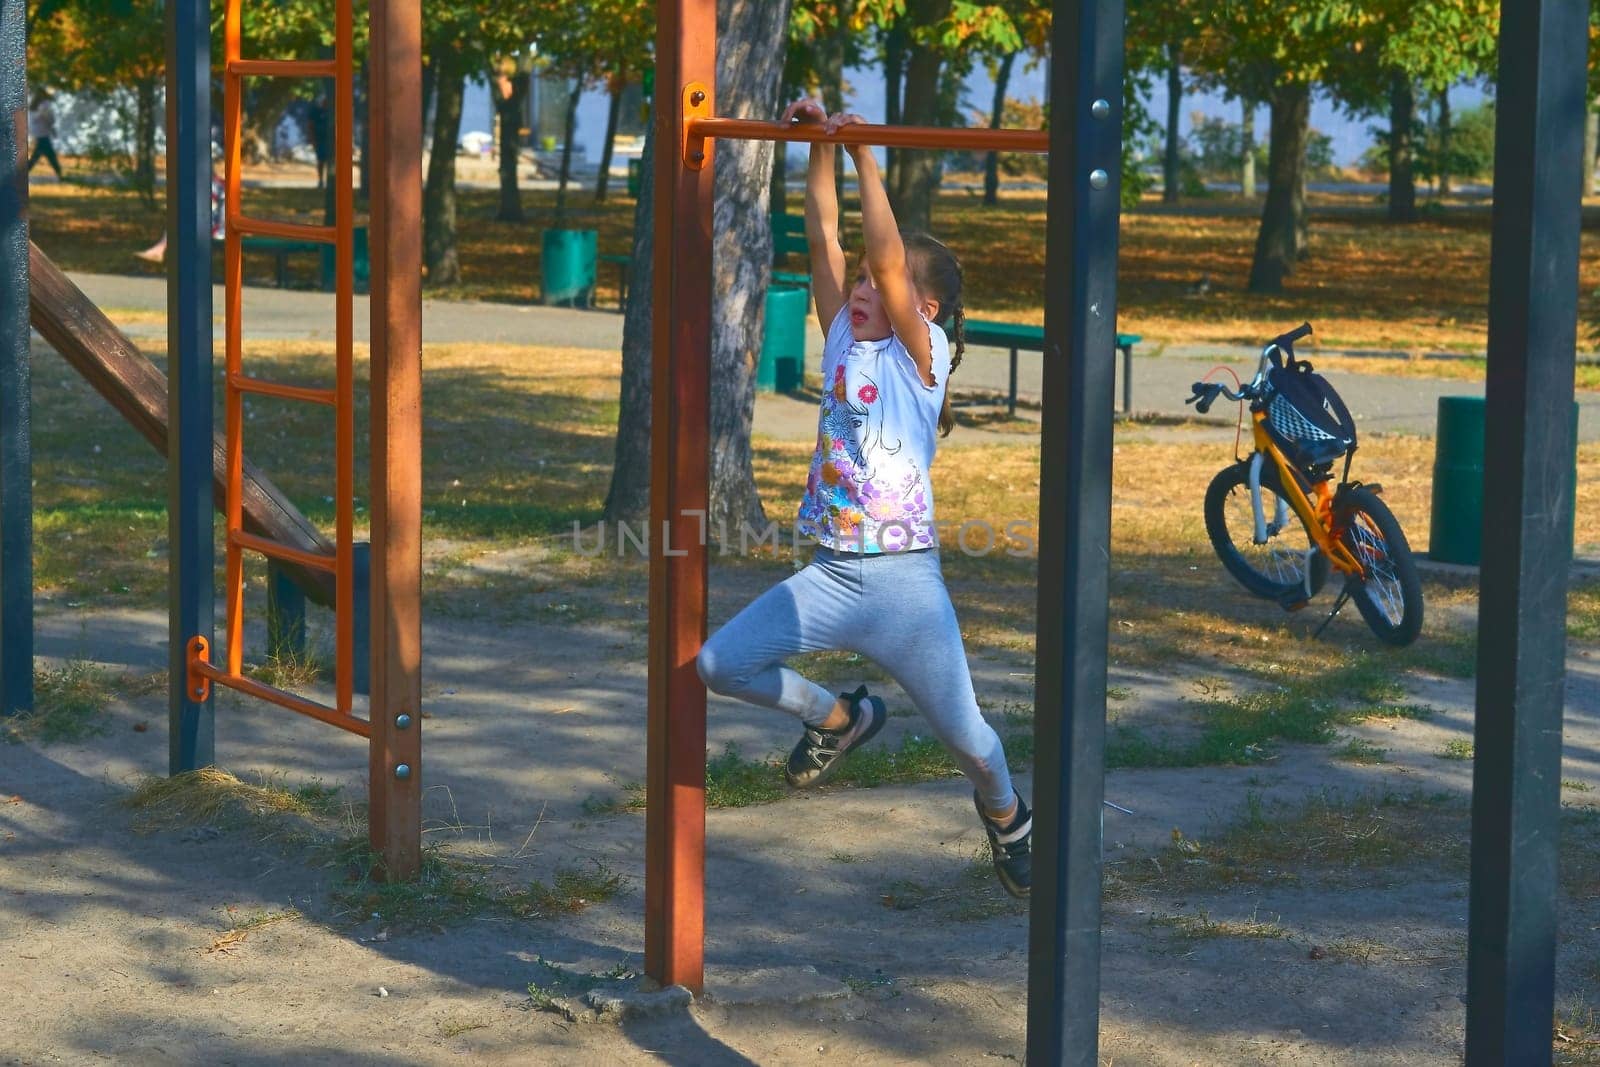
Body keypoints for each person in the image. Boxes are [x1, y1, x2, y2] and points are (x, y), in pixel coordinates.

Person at [695, 100, 1032, 898]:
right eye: (861, 285)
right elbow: (824, 238)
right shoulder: (845, 331)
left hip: (905, 590)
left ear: (929, 311)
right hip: (830, 576)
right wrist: (821, 145)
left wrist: (867, 156)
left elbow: (881, 257)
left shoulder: (925, 359)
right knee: (720, 663)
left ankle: (1008, 814)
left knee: (972, 742)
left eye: (885, 288)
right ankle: (837, 717)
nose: (862, 289)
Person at [136, 171, 225, 263]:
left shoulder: (213, 185)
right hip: (208, 223)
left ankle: (159, 249)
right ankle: (160, 249)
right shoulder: (208, 184)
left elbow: (209, 209)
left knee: (180, 220)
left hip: (213, 227)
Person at [27, 90, 63, 179]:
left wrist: (47, 117)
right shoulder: (37, 107)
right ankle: (60, 174)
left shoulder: (42, 106)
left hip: (42, 135)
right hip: (40, 136)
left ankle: (60, 174)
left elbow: (50, 120)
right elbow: (38, 120)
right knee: (49, 156)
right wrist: (43, 114)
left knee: (39, 157)